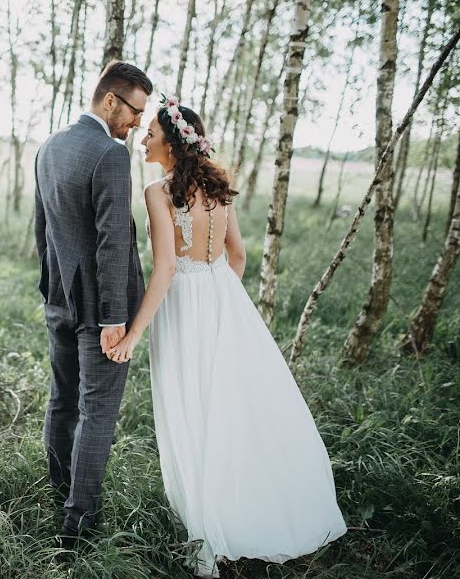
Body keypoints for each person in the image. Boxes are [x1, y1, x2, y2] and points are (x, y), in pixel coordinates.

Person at [106, 96, 347, 577]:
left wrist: (135, 331)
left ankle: (209, 523)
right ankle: (247, 502)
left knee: (190, 407)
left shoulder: (157, 192)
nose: (145, 139)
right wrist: (221, 301)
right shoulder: (219, 187)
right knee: (231, 405)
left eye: (152, 133)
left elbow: (168, 267)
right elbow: (236, 256)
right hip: (224, 301)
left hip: (182, 306)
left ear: (172, 144)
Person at [33, 60, 152, 546]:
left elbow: (41, 230)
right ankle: (76, 527)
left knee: (63, 403)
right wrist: (113, 317)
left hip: (59, 299)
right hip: (101, 311)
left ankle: (59, 493)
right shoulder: (109, 154)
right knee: (97, 412)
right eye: (135, 112)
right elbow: (111, 242)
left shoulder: (49, 147)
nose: (138, 124)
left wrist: (51, 289)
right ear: (110, 101)